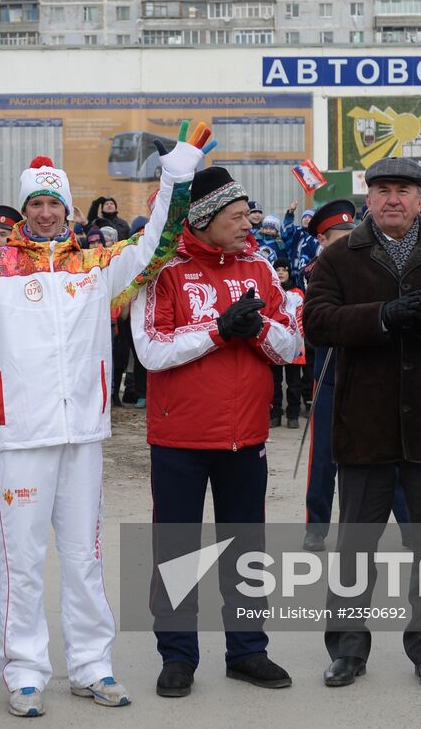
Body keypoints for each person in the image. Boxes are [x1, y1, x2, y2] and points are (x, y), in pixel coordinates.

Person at [0, 126, 211, 717]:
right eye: (36, 205)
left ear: (68, 208)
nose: (46, 214)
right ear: (23, 209)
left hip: (82, 433)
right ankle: (24, 671)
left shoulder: (97, 265)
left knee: (84, 556)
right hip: (16, 435)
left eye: (54, 203)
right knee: (19, 561)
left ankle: (91, 666)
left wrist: (175, 178)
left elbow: (156, 246)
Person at [303, 157, 421, 692]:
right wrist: (383, 316)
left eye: (403, 191)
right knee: (355, 545)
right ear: (368, 198)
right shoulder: (341, 257)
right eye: (382, 190)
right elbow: (316, 322)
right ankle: (346, 649)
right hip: (364, 424)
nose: (393, 199)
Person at [131, 164, 301, 699]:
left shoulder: (261, 267)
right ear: (203, 220)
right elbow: (151, 351)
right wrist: (218, 330)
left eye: (247, 214)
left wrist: (257, 330)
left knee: (246, 551)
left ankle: (248, 651)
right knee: (178, 551)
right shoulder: (162, 271)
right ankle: (178, 657)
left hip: (245, 437)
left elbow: (291, 347)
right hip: (179, 438)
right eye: (235, 216)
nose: (247, 223)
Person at [300, 199, 412, 553]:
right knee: (324, 458)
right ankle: (316, 528)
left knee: (384, 452)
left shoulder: (373, 264)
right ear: (323, 240)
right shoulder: (316, 271)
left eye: (351, 233)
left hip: (369, 374)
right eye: (338, 236)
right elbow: (315, 323)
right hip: (331, 374)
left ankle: (410, 527)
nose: (348, 240)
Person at [270, 262, 305, 427]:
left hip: (294, 343)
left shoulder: (298, 293)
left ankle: (293, 416)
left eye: (285, 269)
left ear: (290, 273)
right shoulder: (269, 291)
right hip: (275, 342)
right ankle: (274, 415)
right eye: (278, 269)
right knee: (274, 382)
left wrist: (297, 338)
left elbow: (301, 317)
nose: (281, 272)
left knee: (294, 382)